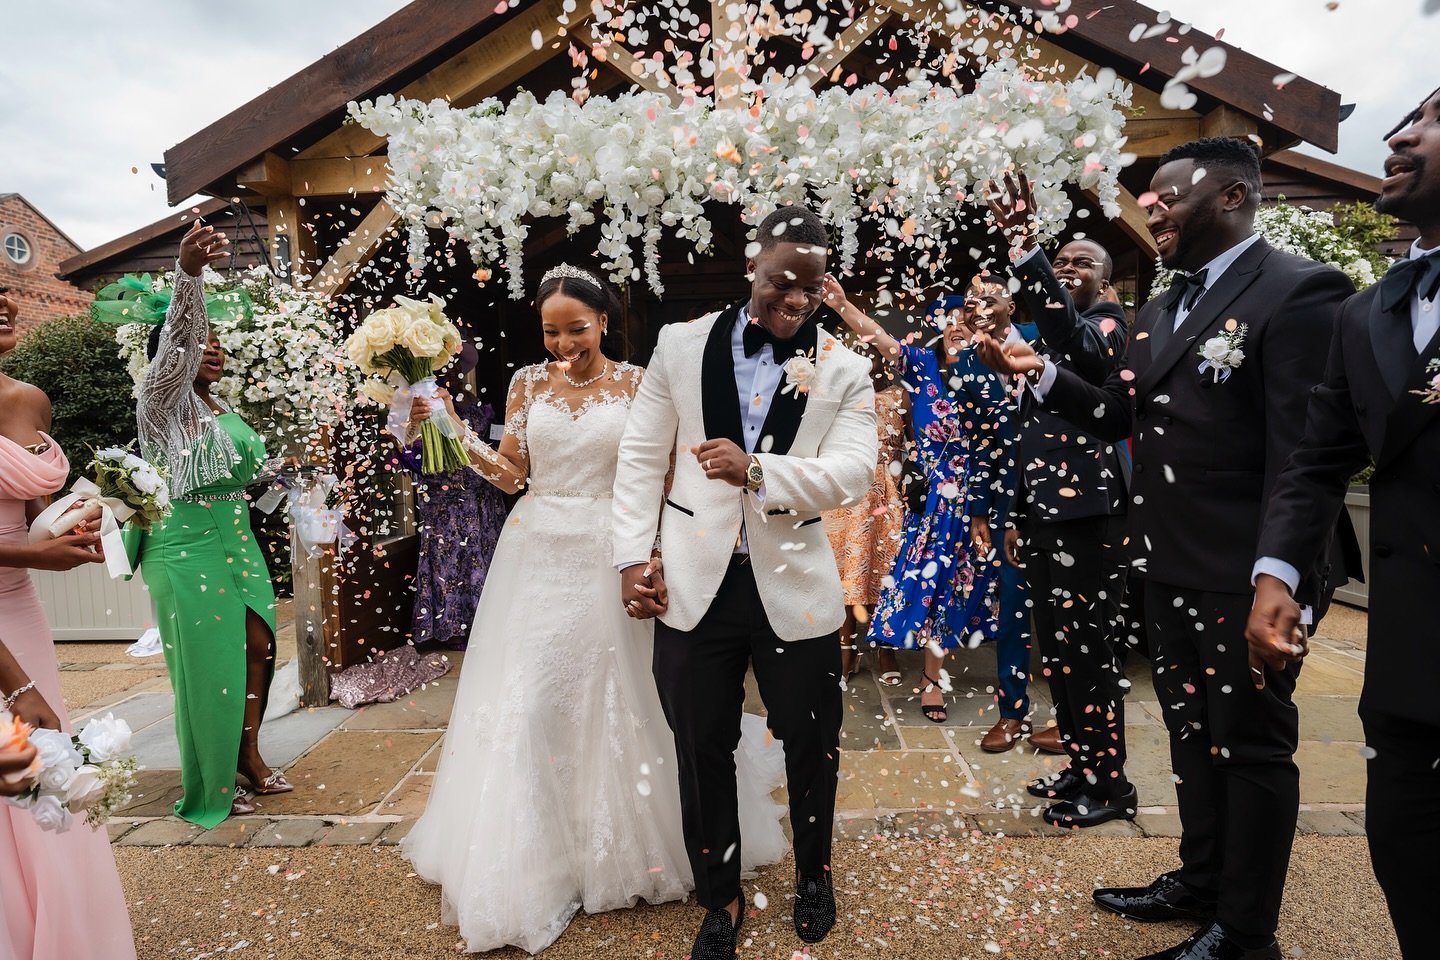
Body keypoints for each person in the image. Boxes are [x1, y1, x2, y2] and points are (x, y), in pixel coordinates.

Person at [976, 138, 1356, 960]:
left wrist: (1279, 575)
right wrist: (1038, 373)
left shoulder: (1299, 291)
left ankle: (1245, 931)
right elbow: (1121, 417)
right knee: (1190, 735)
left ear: (1230, 198)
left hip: (1242, 574)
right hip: (1165, 566)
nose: (1151, 209)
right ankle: (1199, 880)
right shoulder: (1165, 304)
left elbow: (1309, 452)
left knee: (1250, 747)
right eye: (1145, 200)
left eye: (1167, 197)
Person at [400, 263, 788, 955]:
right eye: (550, 332)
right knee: (529, 702)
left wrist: (659, 558)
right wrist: (456, 430)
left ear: (606, 320)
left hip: (615, 552)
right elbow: (513, 475)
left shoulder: (641, 384)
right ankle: (538, 854)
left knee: (621, 699)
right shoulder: (525, 383)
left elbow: (664, 476)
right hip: (537, 556)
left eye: (576, 329)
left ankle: (632, 848)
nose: (562, 344)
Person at [612, 206, 877, 960]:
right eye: (779, 286)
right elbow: (639, 455)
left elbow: (854, 472)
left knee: (813, 743)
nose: (794, 303)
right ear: (752, 270)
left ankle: (815, 874)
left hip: (794, 584)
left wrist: (760, 470)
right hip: (694, 586)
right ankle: (719, 895)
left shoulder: (844, 367)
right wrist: (633, 558)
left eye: (811, 291)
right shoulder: (679, 343)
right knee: (700, 744)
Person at [1247, 86, 1440, 960]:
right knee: (1408, 855)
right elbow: (1321, 455)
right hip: (1411, 663)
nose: (1399, 135)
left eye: (1433, 120)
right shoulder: (1370, 309)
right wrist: (1278, 574)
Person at [826, 277, 1056, 754]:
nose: (955, 327)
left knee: (1007, 595)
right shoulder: (922, 367)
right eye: (947, 321)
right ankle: (934, 679)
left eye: (964, 320)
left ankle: (1031, 702)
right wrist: (845, 306)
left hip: (1001, 495)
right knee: (941, 587)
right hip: (945, 502)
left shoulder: (992, 367)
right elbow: (881, 339)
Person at [986, 174, 1136, 827]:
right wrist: (1017, 514)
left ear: (1105, 284)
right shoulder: (1042, 343)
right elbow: (1029, 436)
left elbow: (1084, 357)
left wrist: (1028, 252)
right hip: (1044, 514)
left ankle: (1110, 788)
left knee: (1090, 654)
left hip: (1092, 517)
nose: (1070, 266)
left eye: (1083, 263)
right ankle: (1081, 764)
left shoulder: (1107, 328)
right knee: (1060, 651)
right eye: (1062, 258)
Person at [129, 222, 290, 826]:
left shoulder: (220, 406)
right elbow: (179, 337)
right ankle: (212, 781)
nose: (214, 349)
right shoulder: (160, 401)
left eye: (220, 344)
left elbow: (226, 470)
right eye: (204, 343)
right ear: (173, 356)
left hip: (237, 536)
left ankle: (248, 753)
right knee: (207, 665)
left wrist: (282, 471)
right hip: (184, 545)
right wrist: (189, 274)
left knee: (258, 647)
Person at [0, 291, 137, 958]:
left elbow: (34, 518)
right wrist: (29, 552)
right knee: (15, 753)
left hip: (18, 608)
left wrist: (91, 517)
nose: (3, 303)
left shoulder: (30, 399)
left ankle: (56, 936)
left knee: (42, 764)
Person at [397, 342, 506, 649]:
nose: (453, 371)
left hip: (480, 495)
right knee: (448, 557)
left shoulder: (474, 402)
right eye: (445, 365)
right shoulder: (416, 403)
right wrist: (415, 424)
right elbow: (407, 456)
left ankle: (485, 622)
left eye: (457, 364)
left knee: (482, 554)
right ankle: (449, 626)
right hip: (443, 499)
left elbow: (491, 440)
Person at [822, 349, 906, 683]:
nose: (870, 361)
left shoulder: (900, 396)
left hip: (885, 493)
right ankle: (846, 648)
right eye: (861, 354)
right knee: (847, 577)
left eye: (876, 354)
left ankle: (886, 648)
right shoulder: (837, 396)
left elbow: (915, 444)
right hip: (844, 495)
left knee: (885, 573)